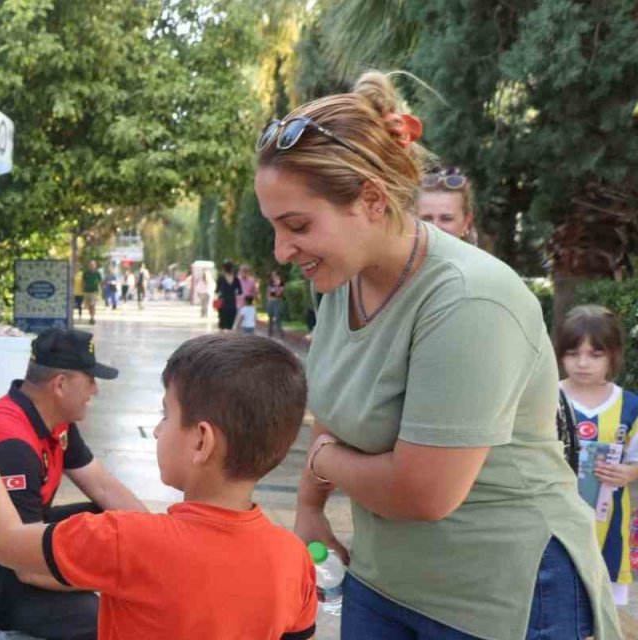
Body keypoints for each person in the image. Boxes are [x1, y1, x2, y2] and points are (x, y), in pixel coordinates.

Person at [260, 71, 621, 638]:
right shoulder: (337, 281)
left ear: (373, 200)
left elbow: (422, 492)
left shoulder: (468, 298)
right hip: (385, 581)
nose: (282, 251)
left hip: (502, 597)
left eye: (298, 225)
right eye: (275, 229)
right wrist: (309, 506)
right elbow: (335, 403)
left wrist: (321, 461)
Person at [0, 334, 317, 640]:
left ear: (201, 441)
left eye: (166, 414)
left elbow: (7, 542)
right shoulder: (295, 561)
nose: (160, 428)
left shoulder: (126, 541)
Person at [0, 328, 148, 640]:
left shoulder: (55, 421)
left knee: (113, 521)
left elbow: (104, 487)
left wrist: (160, 545)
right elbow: (25, 566)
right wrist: (115, 580)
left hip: (28, 540)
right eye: (90, 380)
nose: (95, 390)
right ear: (60, 384)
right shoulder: (12, 444)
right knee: (97, 618)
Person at [555, 304, 638, 606]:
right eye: (573, 353)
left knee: (599, 603)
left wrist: (629, 472)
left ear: (613, 355)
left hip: (609, 524)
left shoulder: (630, 406)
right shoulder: (545, 398)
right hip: (553, 522)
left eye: (595, 354)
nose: (582, 363)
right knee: (555, 595)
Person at [418, 166, 477, 243]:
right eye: (427, 219)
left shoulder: (478, 255)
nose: (435, 227)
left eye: (446, 219)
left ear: (466, 222)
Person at [214, 261, 240, 332]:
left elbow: (216, 290)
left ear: (223, 269)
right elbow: (240, 291)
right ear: (232, 268)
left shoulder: (221, 278)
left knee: (222, 323)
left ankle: (221, 340)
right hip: (232, 303)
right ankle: (229, 340)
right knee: (230, 325)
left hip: (223, 302)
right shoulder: (236, 279)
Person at [266, 270, 287, 339]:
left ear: (279, 276)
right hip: (271, 302)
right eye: (273, 275)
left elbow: (279, 293)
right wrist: (269, 299)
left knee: (278, 318)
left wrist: (277, 285)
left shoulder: (282, 284)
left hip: (278, 302)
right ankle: (269, 334)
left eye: (275, 275)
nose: (273, 277)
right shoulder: (270, 283)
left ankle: (281, 334)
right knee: (270, 318)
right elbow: (268, 293)